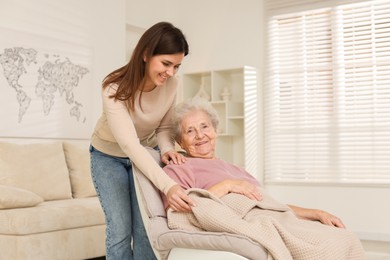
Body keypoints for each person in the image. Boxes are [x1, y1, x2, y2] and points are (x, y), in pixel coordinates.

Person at [161, 97, 365, 259]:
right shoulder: (180, 167)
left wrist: (316, 213)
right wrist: (227, 186)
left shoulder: (236, 169)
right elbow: (181, 210)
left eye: (205, 127)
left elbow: (269, 205)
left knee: (345, 238)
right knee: (324, 248)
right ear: (180, 141)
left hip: (275, 218)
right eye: (190, 131)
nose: (200, 135)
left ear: (215, 130)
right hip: (254, 223)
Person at [89, 22, 195, 260]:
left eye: (176, 66)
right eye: (166, 63)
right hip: (108, 157)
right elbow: (129, 145)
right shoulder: (113, 87)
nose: (171, 72)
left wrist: (167, 149)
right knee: (120, 230)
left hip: (146, 153)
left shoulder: (173, 84)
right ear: (146, 54)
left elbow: (165, 127)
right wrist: (168, 185)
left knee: (147, 228)